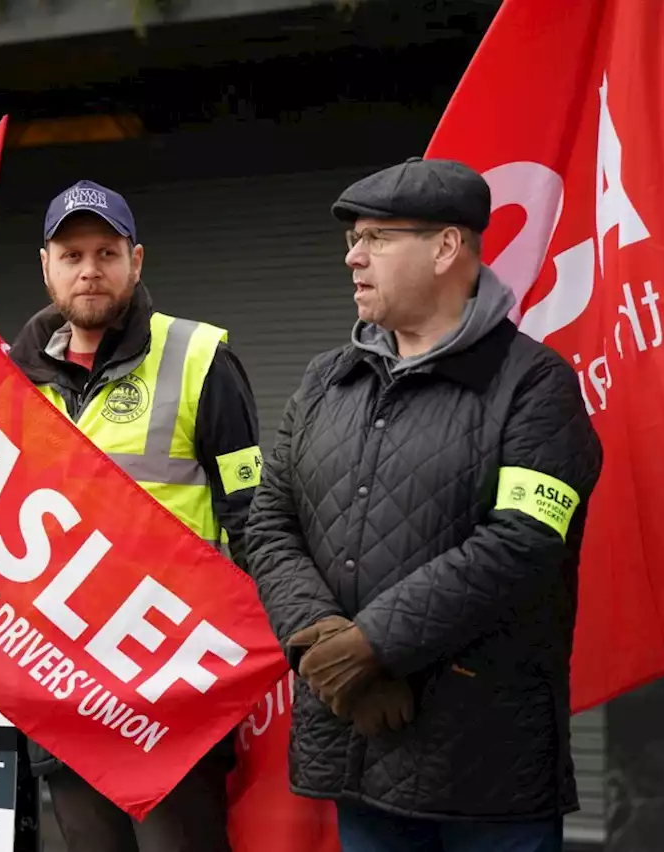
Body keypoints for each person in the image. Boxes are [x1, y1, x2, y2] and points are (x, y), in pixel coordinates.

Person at [0, 179, 264, 852]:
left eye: (106, 253)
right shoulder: (8, 382)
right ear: (44, 266)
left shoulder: (199, 359)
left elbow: (254, 523)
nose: (89, 270)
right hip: (67, 689)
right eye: (71, 255)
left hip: (174, 689)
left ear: (137, 261)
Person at [243, 157, 603, 852]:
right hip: (357, 739)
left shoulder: (536, 385)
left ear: (446, 248)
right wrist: (328, 648)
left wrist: (375, 646)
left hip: (488, 770)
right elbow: (269, 522)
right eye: (353, 239)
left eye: (376, 238)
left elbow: (524, 540)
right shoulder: (327, 380)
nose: (353, 257)